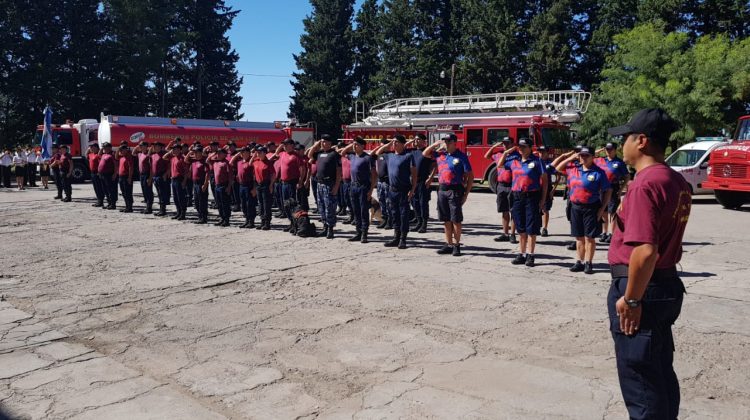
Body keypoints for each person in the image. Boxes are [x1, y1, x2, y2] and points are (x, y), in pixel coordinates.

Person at [606, 108, 690, 420]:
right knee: (658, 373)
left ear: (640, 141)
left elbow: (645, 251)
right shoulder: (674, 180)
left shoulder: (645, 184)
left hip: (643, 287)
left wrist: (631, 298)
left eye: (624, 138)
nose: (621, 144)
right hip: (664, 284)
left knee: (640, 379)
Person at [554, 145, 612, 274]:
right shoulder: (573, 168)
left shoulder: (599, 172)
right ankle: (579, 261)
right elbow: (557, 168)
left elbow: (607, 190)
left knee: (589, 238)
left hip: (591, 207)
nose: (583, 158)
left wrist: (602, 208)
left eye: (586, 156)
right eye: (582, 155)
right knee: (578, 237)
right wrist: (572, 157)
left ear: (593, 157)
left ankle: (588, 262)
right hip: (575, 206)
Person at [497, 138, 547, 266]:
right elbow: (500, 165)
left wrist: (542, 199)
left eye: (524, 147)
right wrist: (506, 152)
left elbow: (544, 181)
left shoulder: (537, 161)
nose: (521, 149)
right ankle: (521, 253)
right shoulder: (514, 161)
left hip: (532, 196)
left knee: (531, 227)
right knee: (521, 227)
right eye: (519, 147)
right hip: (517, 196)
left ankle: (530, 255)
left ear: (530, 148)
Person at [423, 134, 473, 256]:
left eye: (448, 141)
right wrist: (435, 145)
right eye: (445, 141)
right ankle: (448, 244)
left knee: (455, 219)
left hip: (455, 190)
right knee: (445, 219)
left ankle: (457, 245)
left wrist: (466, 193)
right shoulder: (441, 155)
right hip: (442, 189)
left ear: (454, 142)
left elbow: (470, 175)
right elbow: (424, 154)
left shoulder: (461, 156)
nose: (446, 143)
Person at [373, 135, 417, 249]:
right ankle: (396, 237)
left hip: (404, 191)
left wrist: (412, 189)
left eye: (397, 142)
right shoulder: (389, 156)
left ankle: (403, 239)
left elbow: (414, 174)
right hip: (392, 190)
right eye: (393, 142)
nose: (394, 144)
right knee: (394, 214)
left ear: (403, 144)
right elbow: (377, 152)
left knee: (403, 215)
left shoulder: (408, 156)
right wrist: (389, 143)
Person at [338, 137, 377, 243]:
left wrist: (371, 190)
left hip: (364, 187)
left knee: (363, 210)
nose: (354, 147)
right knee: (356, 210)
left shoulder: (367, 158)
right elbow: (342, 152)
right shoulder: (352, 156)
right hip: (353, 186)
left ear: (362, 146)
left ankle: (364, 233)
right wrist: (351, 144)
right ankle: (358, 232)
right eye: (354, 145)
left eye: (357, 145)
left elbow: (374, 175)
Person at [485, 137, 519, 244]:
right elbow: (486, 156)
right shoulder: (499, 154)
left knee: (513, 211)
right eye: (503, 143)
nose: (505, 145)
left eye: (507, 143)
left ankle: (513, 234)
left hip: (512, 185)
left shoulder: (517, 156)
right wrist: (494, 146)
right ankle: (505, 234)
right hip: (501, 186)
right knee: (504, 211)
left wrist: (511, 151)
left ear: (512, 144)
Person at [307, 134, 342, 239]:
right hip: (320, 184)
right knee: (321, 207)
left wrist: (336, 186)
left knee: (329, 207)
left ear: (330, 143)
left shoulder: (334, 154)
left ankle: (330, 229)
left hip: (329, 184)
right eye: (322, 142)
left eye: (325, 142)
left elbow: (339, 171)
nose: (323, 143)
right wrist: (315, 145)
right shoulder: (319, 153)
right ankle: (325, 227)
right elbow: (309, 155)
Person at [595, 141, 631, 243]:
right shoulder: (601, 160)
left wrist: (621, 190)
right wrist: (600, 150)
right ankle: (604, 232)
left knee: (612, 212)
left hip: (613, 187)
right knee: (603, 211)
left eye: (610, 149)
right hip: (601, 188)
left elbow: (627, 176)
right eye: (606, 149)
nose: (608, 151)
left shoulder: (619, 162)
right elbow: (589, 156)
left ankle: (612, 233)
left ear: (615, 150)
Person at [272, 138, 307, 229]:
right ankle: (291, 222)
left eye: (286, 145)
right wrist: (281, 145)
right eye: (284, 145)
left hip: (292, 183)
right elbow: (276, 153)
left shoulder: (296, 156)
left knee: (292, 205)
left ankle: (295, 223)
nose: (284, 146)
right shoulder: (282, 154)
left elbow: (303, 169)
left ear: (292, 145)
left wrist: (300, 181)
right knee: (286, 205)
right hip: (284, 183)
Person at [409, 134, 435, 234]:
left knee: (423, 203)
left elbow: (434, 166)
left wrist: (430, 178)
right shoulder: (413, 152)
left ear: (424, 141)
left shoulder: (427, 151)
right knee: (414, 203)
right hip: (413, 181)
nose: (415, 141)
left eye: (418, 139)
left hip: (423, 181)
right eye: (414, 139)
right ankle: (418, 222)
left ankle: (424, 224)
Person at [230, 146, 258, 228]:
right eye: (241, 152)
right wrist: (237, 154)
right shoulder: (239, 162)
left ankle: (251, 221)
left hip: (249, 185)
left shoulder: (252, 162)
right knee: (243, 204)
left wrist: (254, 188)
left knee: (250, 204)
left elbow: (255, 176)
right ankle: (247, 220)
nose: (241, 153)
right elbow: (230, 162)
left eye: (243, 152)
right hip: (241, 185)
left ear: (248, 153)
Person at [163, 142, 189, 220]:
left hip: (180, 179)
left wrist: (184, 181)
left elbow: (186, 171)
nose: (174, 151)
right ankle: (178, 212)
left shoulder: (183, 158)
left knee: (181, 198)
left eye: (176, 149)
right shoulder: (173, 158)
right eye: (173, 149)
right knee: (175, 198)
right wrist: (170, 152)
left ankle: (183, 213)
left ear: (180, 150)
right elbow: (164, 157)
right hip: (173, 179)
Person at [538, 146, 560, 237]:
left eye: (543, 152)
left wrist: (553, 190)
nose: (541, 154)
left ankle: (544, 228)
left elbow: (558, 175)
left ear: (547, 153)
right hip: (536, 188)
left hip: (547, 188)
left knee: (545, 209)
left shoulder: (549, 163)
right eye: (540, 152)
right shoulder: (535, 162)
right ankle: (536, 226)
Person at [252, 146, 276, 230]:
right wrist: (254, 155)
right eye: (257, 152)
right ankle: (262, 221)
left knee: (266, 204)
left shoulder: (268, 163)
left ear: (264, 153)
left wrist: (271, 185)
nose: (258, 154)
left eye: (260, 152)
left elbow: (273, 174)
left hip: (266, 184)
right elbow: (250, 164)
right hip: (258, 185)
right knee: (260, 204)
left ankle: (267, 222)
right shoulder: (256, 161)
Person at [185, 146, 209, 224]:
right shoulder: (193, 161)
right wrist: (190, 152)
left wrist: (205, 184)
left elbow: (207, 173)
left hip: (201, 183)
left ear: (200, 153)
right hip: (195, 183)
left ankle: (203, 217)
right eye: (194, 152)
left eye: (197, 152)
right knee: (196, 201)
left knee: (202, 201)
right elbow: (186, 160)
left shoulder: (204, 161)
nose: (195, 154)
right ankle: (200, 216)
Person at [209, 148, 233, 227]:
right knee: (219, 203)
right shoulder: (215, 162)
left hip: (224, 185)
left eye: (220, 153)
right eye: (217, 153)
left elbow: (230, 177)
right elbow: (207, 160)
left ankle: (226, 220)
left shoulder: (226, 163)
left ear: (224, 154)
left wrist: (229, 187)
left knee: (225, 204)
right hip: (217, 185)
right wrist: (214, 153)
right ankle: (222, 218)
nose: (218, 155)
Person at [375, 138, 392, 229]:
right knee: (381, 201)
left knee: (388, 202)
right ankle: (384, 219)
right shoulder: (379, 155)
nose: (381, 147)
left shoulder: (389, 155)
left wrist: (387, 146)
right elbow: (375, 153)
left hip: (387, 181)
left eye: (383, 145)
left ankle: (390, 220)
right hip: (380, 181)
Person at [149, 142, 170, 217]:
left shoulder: (163, 154)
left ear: (161, 147)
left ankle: (163, 210)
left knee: (162, 193)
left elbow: (169, 164)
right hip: (155, 176)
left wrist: (166, 173)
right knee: (158, 193)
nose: (155, 148)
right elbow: (151, 167)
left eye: (157, 146)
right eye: (155, 146)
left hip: (161, 176)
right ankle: (161, 209)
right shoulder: (153, 155)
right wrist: (150, 177)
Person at [97, 142, 118, 209]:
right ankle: (109, 203)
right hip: (103, 175)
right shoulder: (104, 154)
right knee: (105, 189)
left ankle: (113, 204)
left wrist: (115, 174)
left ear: (109, 147)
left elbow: (116, 165)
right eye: (104, 147)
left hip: (109, 174)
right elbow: (99, 155)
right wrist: (101, 148)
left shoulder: (112, 154)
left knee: (111, 190)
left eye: (105, 147)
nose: (104, 148)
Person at [136, 142, 154, 214]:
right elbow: (133, 152)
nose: (140, 147)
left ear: (146, 146)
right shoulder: (140, 154)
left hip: (147, 174)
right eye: (140, 146)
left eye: (142, 146)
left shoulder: (149, 155)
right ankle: (147, 207)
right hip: (141, 175)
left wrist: (150, 178)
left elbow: (151, 168)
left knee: (148, 191)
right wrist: (138, 146)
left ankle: (149, 208)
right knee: (144, 191)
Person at [338, 143, 354, 222]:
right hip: (344, 181)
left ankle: (354, 216)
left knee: (352, 200)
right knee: (346, 199)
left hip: (352, 181)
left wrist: (351, 146)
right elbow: (339, 152)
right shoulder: (343, 156)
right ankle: (351, 215)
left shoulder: (353, 157)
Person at [116, 145, 134, 212]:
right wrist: (118, 149)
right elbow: (116, 156)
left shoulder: (129, 157)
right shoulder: (121, 157)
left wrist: (129, 178)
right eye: (121, 150)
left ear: (126, 150)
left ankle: (129, 207)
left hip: (126, 177)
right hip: (121, 177)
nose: (121, 151)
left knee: (128, 192)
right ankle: (127, 206)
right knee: (123, 192)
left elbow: (131, 168)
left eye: (122, 150)